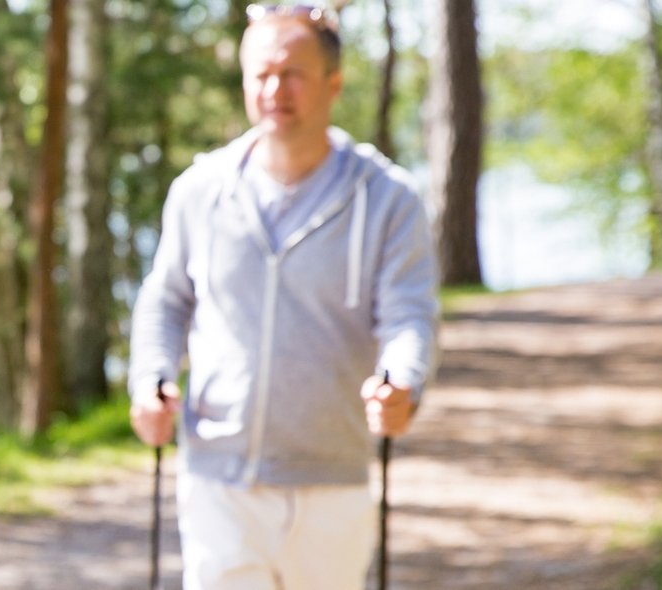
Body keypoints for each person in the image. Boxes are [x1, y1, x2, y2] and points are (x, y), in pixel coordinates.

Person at [125, 4, 440, 589]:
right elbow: (165, 300)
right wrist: (150, 379)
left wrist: (404, 382)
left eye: (293, 73)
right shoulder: (199, 190)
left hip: (332, 482)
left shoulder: (388, 196)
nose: (275, 89)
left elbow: (409, 314)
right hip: (217, 481)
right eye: (260, 75)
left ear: (334, 83)